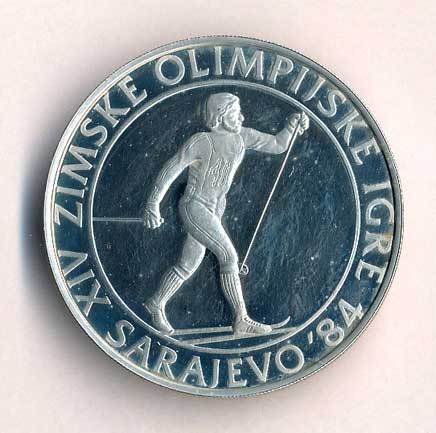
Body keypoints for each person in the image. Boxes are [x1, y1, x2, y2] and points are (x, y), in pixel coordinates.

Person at [143, 92, 309, 335]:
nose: (241, 117)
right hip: (194, 207)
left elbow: (277, 145)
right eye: (235, 113)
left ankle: (155, 303)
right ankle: (241, 319)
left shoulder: (243, 136)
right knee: (229, 257)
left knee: (188, 264)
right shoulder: (201, 141)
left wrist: (291, 126)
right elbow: (171, 169)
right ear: (219, 116)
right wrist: (152, 204)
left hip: (215, 208)